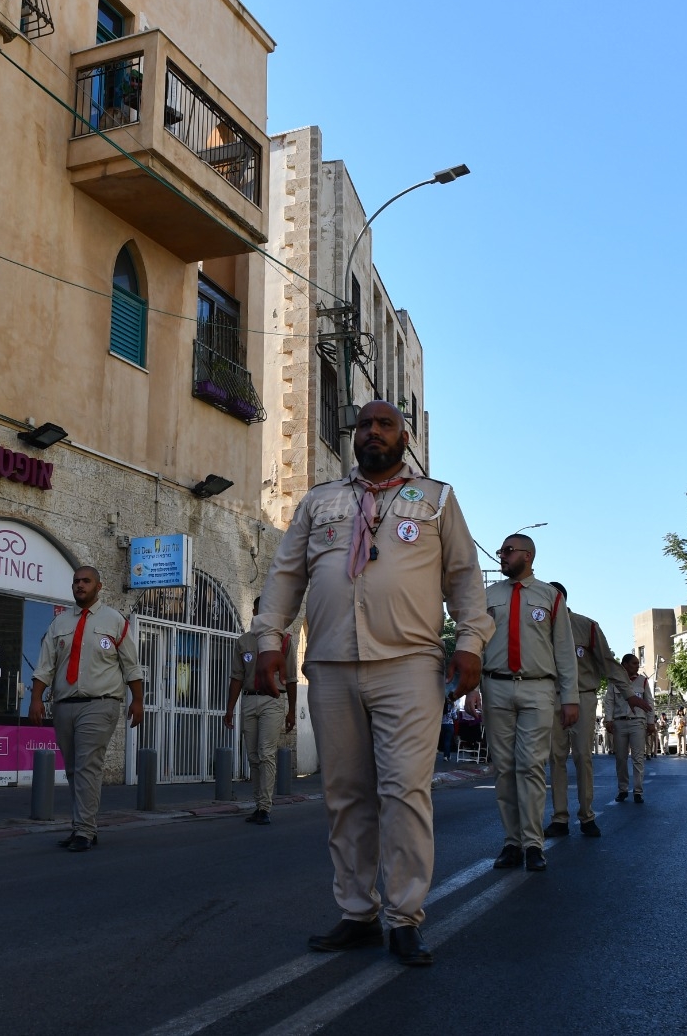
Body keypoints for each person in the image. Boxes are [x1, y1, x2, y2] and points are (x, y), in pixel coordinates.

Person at [252, 400, 491, 966]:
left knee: (405, 792)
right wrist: (268, 639)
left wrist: (470, 644)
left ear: (404, 436)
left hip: (408, 664)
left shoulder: (436, 499)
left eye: (386, 424)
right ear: (353, 436)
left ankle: (405, 917)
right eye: (365, 425)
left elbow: (463, 577)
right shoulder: (320, 501)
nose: (374, 432)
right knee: (345, 796)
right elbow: (285, 576)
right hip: (331, 664)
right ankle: (357, 913)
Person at [29, 566, 144, 852]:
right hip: (64, 705)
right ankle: (83, 825)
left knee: (87, 766)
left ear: (99, 586)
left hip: (100, 703)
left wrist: (138, 701)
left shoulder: (115, 621)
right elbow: (45, 665)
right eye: (76, 581)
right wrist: (35, 699)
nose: (80, 586)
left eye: (86, 581)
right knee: (72, 769)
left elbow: (131, 666)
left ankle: (84, 830)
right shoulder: (59, 623)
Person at [480, 534, 576, 872]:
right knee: (504, 769)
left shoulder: (549, 597)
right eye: (500, 552)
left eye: (508, 551)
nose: (501, 557)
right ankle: (512, 842)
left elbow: (564, 651)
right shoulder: (487, 596)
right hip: (496, 686)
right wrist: (471, 689)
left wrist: (570, 698)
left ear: (528, 555)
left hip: (538, 689)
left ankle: (534, 844)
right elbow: (476, 642)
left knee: (532, 766)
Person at [546, 586, 636, 838]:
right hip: (551, 697)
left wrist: (629, 693)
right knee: (556, 758)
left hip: (583, 696)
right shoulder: (537, 627)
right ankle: (559, 818)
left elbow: (607, 662)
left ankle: (587, 816)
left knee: (583, 756)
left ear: (561, 599)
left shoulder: (587, 626)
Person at [223, 598, 298, 825]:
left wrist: (292, 711)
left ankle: (266, 807)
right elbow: (236, 677)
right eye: (259, 611)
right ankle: (258, 804)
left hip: (272, 700)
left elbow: (292, 679)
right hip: (249, 699)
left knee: (266, 753)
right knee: (253, 756)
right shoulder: (243, 642)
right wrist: (229, 709)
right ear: (254, 612)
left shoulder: (284, 641)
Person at [605, 655, 653, 803]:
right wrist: (608, 719)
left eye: (638, 663)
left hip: (637, 722)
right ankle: (623, 789)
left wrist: (651, 722)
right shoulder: (615, 682)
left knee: (638, 758)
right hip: (619, 723)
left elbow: (649, 702)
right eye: (634, 663)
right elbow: (609, 701)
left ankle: (638, 791)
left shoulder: (643, 681)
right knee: (620, 759)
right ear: (624, 665)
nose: (637, 666)